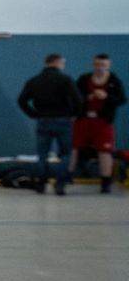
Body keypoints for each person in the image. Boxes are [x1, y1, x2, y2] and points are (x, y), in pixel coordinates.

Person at [17, 53, 82, 196]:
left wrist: (33, 114)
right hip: (63, 120)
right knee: (65, 154)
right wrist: (74, 114)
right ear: (58, 63)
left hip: (43, 120)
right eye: (62, 63)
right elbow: (78, 99)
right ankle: (60, 184)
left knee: (42, 154)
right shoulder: (65, 79)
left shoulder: (34, 81)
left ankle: (41, 184)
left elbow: (22, 101)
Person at [69, 54, 125, 193]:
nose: (100, 68)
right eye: (97, 65)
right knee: (74, 148)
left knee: (105, 151)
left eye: (103, 65)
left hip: (103, 121)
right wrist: (87, 98)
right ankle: (66, 177)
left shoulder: (114, 81)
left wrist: (107, 96)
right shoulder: (84, 79)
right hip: (83, 119)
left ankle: (105, 183)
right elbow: (74, 97)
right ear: (93, 65)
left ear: (108, 65)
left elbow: (122, 99)